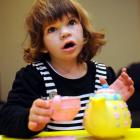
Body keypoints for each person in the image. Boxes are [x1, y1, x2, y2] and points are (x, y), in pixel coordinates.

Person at [0, 0, 134, 138]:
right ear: (42, 45)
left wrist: (113, 104)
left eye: (71, 22)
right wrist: (29, 119)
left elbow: (119, 128)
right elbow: (6, 119)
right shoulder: (32, 76)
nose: (65, 33)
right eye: (52, 29)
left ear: (84, 31)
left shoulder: (103, 75)